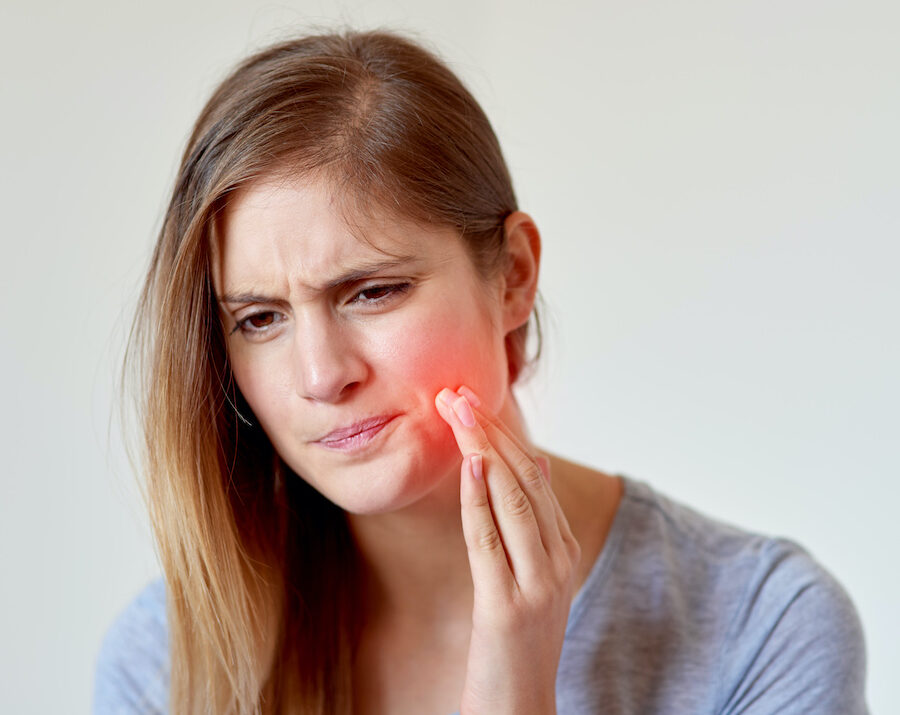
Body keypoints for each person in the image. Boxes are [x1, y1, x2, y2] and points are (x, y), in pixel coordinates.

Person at [93, 29, 868, 715]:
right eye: (259, 318)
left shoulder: (763, 629)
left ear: (514, 276)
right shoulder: (165, 660)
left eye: (372, 291)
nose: (321, 375)